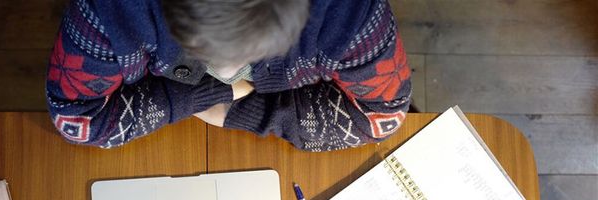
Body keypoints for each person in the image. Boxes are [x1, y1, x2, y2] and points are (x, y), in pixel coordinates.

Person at [46, 0, 411, 152]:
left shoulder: (353, 15)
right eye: (202, 52)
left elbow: (383, 117)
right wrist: (192, 98)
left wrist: (240, 109)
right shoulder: (106, 11)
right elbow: (76, 119)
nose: (222, 76)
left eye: (254, 55)